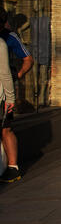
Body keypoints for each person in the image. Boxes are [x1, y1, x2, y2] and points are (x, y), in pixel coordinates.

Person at [0, 7, 33, 183]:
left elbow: (28, 59)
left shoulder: (9, 38)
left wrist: (18, 75)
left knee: (6, 128)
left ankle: (13, 167)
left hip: (4, 91)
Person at [0, 37, 17, 182]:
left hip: (1, 97)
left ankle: (12, 166)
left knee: (6, 129)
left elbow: (5, 73)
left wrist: (10, 98)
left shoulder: (2, 43)